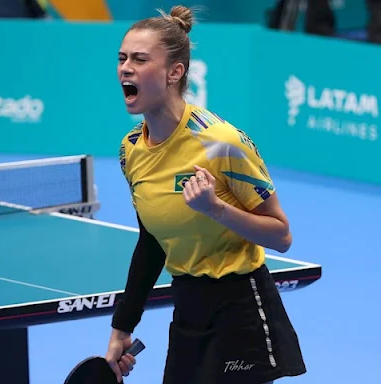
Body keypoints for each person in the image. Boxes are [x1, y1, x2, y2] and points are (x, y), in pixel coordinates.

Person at [105, 5, 307, 384]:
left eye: (139, 59)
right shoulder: (131, 150)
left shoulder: (221, 143)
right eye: (122, 59)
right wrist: (121, 328)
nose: (125, 68)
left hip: (241, 309)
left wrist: (215, 208)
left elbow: (281, 235)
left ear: (174, 72)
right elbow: (152, 242)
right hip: (187, 308)